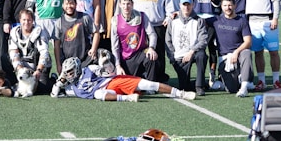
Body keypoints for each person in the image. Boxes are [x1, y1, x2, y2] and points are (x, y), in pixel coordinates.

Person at [50, 57, 195, 101]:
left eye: (69, 72)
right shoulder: (72, 88)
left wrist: (105, 66)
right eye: (66, 73)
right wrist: (59, 81)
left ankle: (180, 93)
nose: (68, 75)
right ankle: (128, 98)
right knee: (97, 94)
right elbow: (54, 94)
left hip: (112, 82)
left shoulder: (89, 69)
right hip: (109, 93)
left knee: (148, 84)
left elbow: (109, 72)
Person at [127, 0, 174, 82]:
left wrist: (169, 16)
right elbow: (128, 3)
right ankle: (142, 76)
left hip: (157, 23)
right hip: (139, 25)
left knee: (158, 52)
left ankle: (159, 77)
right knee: (139, 51)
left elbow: (168, 3)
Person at [244, 0, 281, 91]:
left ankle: (276, 81)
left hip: (267, 20)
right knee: (258, 53)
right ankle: (261, 81)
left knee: (273, 52)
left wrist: (275, 18)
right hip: (252, 22)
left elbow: (275, 0)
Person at [186, 0, 221, 86]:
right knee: (197, 48)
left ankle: (212, 75)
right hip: (198, 19)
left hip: (213, 18)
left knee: (213, 48)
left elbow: (222, 0)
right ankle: (195, 76)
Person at [211, 0, 254, 97]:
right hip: (225, 59)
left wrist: (236, 52)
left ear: (235, 6)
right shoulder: (215, 20)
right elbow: (197, 19)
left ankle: (244, 87)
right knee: (231, 89)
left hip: (238, 55)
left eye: (230, 5)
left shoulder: (242, 21)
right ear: (221, 7)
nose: (228, 8)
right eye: (225, 5)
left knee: (246, 52)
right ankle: (240, 78)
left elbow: (248, 41)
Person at [110, 0, 160, 81]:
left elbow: (152, 34)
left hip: (140, 53)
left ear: (132, 4)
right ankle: (141, 76)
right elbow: (115, 47)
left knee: (151, 56)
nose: (126, 7)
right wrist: (118, 65)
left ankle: (151, 85)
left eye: (128, 4)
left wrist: (151, 48)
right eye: (123, 4)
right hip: (126, 58)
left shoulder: (142, 16)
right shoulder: (115, 21)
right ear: (120, 5)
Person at [165, 0, 208, 96]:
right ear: (180, 5)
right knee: (184, 87)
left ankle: (199, 86)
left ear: (193, 5)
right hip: (179, 57)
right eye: (184, 5)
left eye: (189, 5)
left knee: (202, 55)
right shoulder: (173, 21)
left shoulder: (199, 21)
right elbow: (168, 41)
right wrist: (172, 58)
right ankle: (202, 83)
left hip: (193, 53)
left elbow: (203, 40)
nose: (186, 7)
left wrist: (192, 51)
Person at [8, 9, 52, 94]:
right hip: (23, 64)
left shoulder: (40, 32)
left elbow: (44, 53)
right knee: (5, 58)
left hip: (38, 64)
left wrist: (39, 70)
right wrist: (19, 69)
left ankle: (53, 79)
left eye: (29, 20)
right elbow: (13, 53)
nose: (26, 22)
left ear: (33, 21)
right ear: (20, 20)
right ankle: (13, 82)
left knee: (42, 89)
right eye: (24, 20)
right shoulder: (14, 32)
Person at [53, 0, 100, 73]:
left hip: (85, 60)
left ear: (75, 4)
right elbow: (56, 44)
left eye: (71, 3)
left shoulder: (84, 17)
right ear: (62, 6)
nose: (69, 6)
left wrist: (94, 49)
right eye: (67, 4)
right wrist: (58, 64)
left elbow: (96, 33)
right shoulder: (59, 22)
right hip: (68, 63)